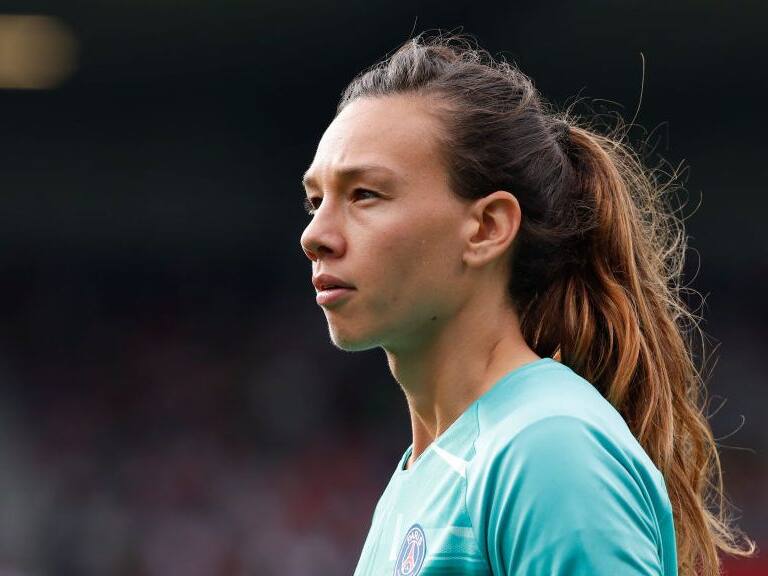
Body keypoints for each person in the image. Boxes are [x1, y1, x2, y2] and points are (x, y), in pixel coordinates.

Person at [299, 31, 756, 576]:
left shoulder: (548, 447)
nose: (314, 235)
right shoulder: (422, 475)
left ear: (487, 228)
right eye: (315, 200)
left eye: (365, 195)